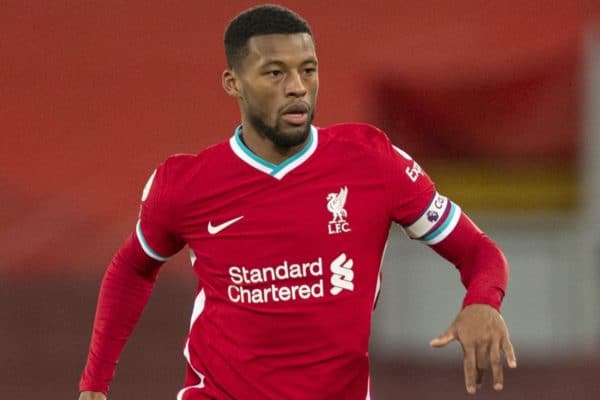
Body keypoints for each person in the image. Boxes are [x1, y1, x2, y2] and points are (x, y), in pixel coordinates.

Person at [79, 4, 516, 400]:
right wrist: (94, 386)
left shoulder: (371, 162)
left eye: (308, 70)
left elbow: (478, 251)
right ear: (234, 83)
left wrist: (481, 302)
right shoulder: (185, 184)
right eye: (275, 73)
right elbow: (133, 267)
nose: (298, 87)